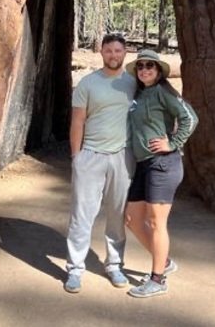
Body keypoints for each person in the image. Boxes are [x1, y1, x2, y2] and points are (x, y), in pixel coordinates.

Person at [64, 34, 136, 294]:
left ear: (125, 53)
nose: (113, 55)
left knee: (118, 214)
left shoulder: (134, 82)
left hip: (123, 156)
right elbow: (78, 121)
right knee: (82, 215)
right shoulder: (88, 83)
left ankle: (114, 265)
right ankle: (75, 269)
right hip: (91, 155)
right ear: (101, 52)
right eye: (108, 50)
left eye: (118, 50)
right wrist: (77, 157)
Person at [124, 49, 198, 298]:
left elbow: (190, 118)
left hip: (163, 164)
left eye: (150, 66)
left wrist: (173, 143)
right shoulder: (139, 94)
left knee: (156, 222)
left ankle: (158, 279)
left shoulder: (163, 92)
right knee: (132, 219)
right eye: (140, 66)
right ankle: (163, 261)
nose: (144, 69)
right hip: (144, 164)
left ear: (158, 70)